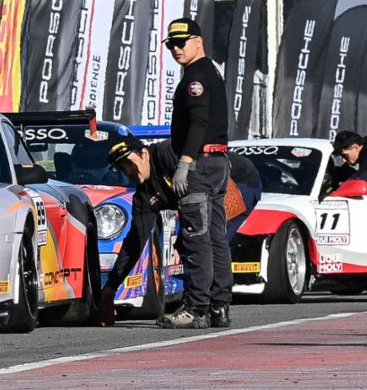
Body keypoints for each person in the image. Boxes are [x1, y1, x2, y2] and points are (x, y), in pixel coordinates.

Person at [99, 135, 260, 329]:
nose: (128, 171)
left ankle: (214, 306)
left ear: (143, 154)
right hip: (210, 190)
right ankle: (207, 304)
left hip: (237, 180)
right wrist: (110, 289)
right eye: (121, 168)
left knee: (208, 238)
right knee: (192, 241)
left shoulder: (169, 153)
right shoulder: (144, 196)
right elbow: (135, 241)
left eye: (129, 163)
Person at [162, 16, 231, 329]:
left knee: (196, 237)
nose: (176, 49)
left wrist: (185, 162)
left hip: (201, 166)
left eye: (182, 42)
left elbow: (199, 121)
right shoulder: (211, 71)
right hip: (217, 163)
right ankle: (219, 306)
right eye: (171, 44)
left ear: (198, 41)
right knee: (216, 237)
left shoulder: (196, 77)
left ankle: (196, 307)